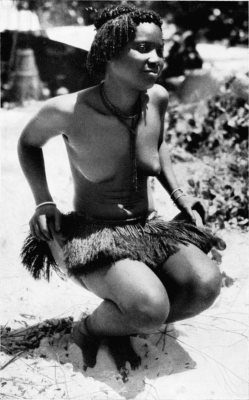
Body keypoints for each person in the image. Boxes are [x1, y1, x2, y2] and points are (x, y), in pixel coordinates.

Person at [18, 5, 224, 373]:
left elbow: (157, 144)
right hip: (94, 235)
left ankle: (123, 318)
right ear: (109, 51)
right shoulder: (69, 110)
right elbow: (28, 144)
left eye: (160, 49)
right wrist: (43, 201)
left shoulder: (157, 99)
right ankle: (90, 329)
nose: (156, 59)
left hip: (148, 228)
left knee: (205, 284)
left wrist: (180, 196)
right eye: (143, 48)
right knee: (149, 308)